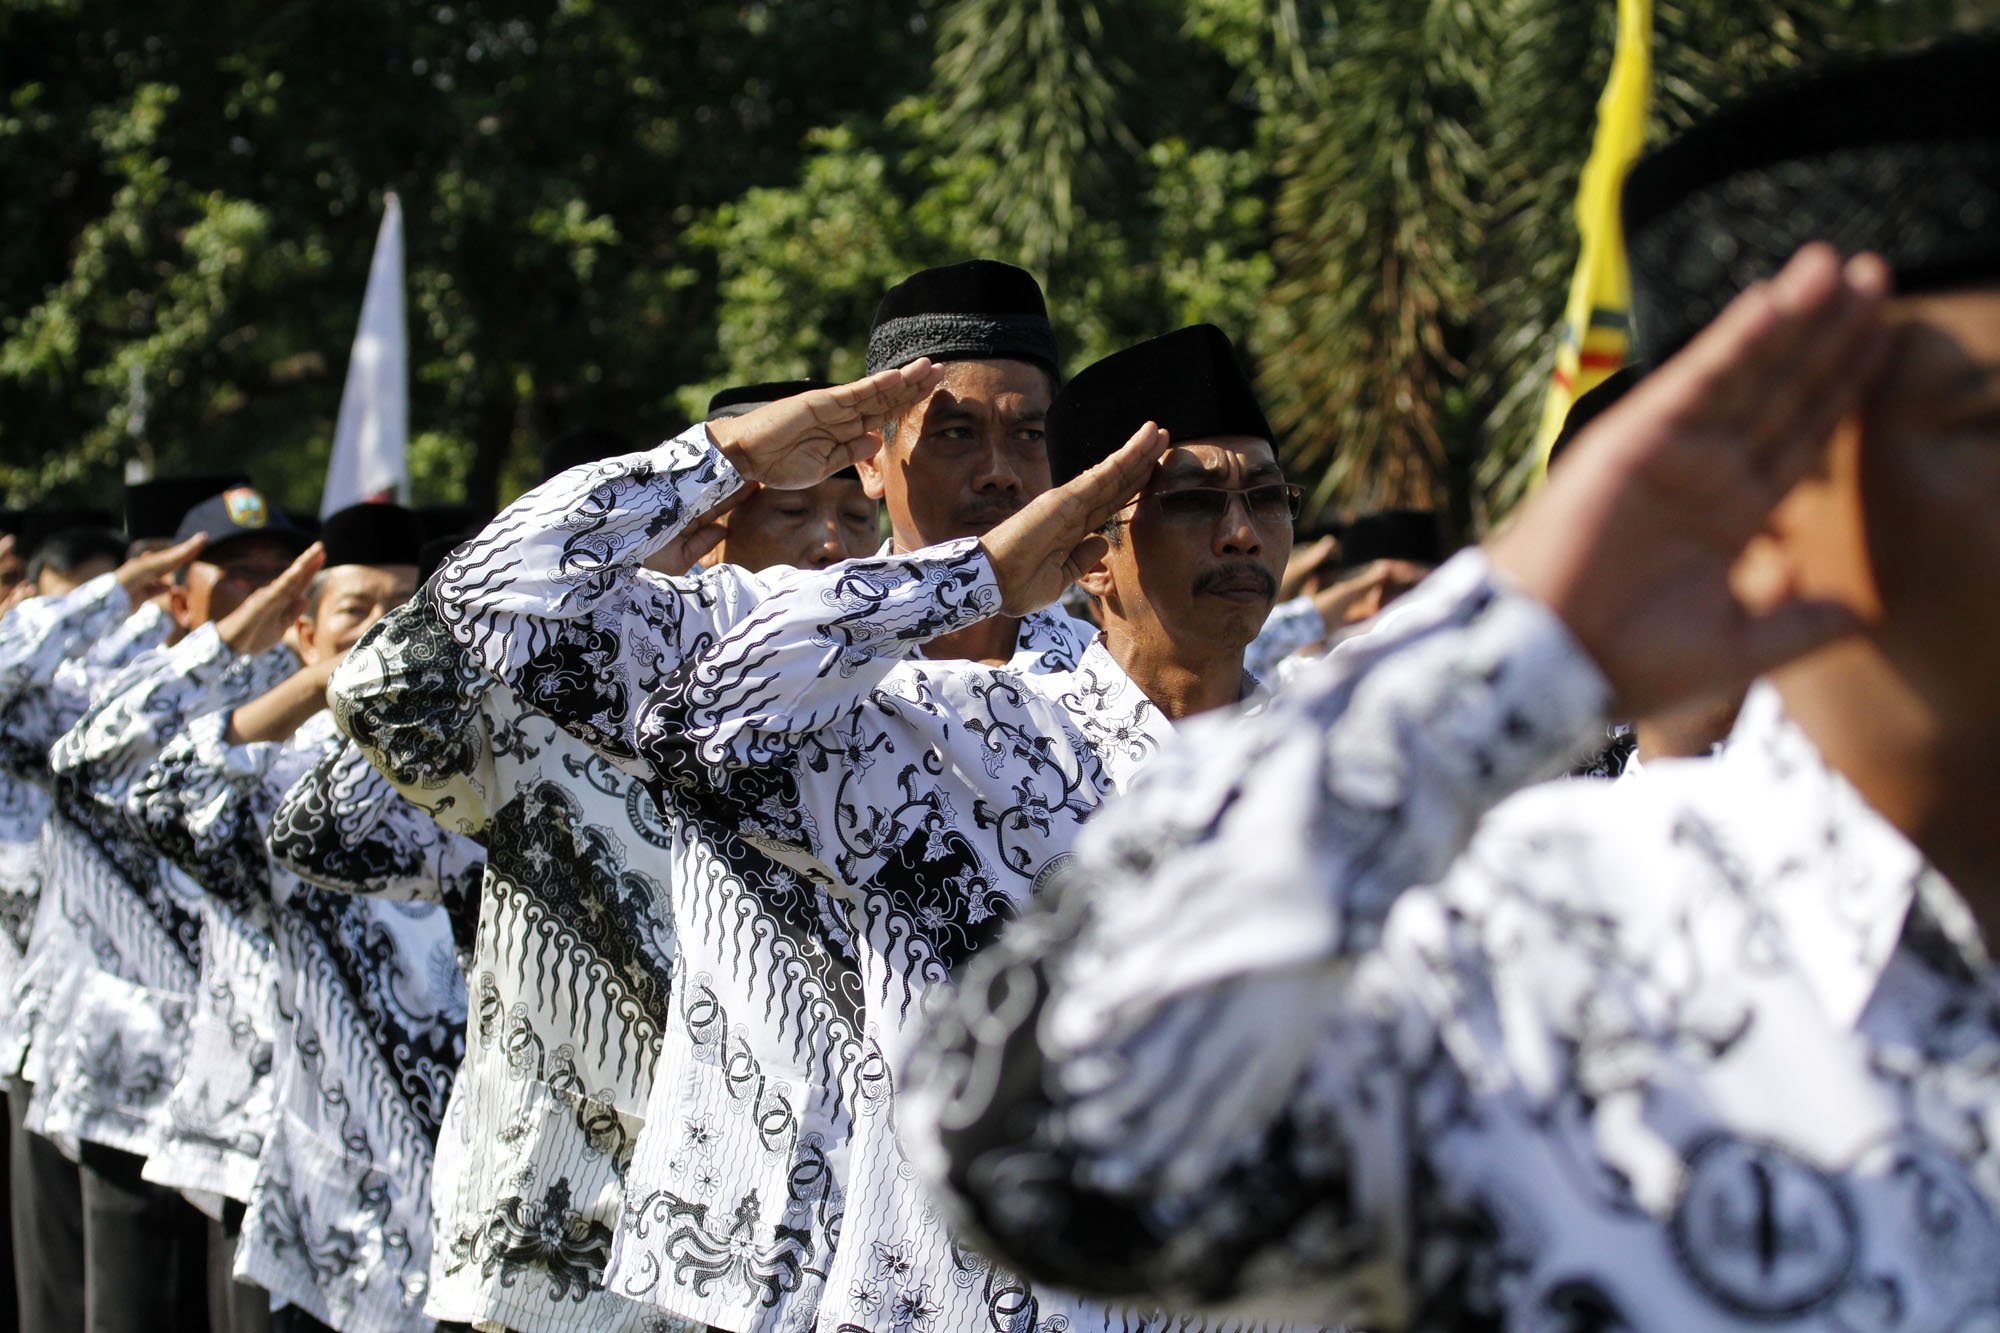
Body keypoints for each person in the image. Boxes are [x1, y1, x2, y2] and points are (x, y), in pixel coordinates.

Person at [900, 36, 2000, 1330]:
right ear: (1779, 493)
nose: (1241, 537)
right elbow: (1035, 1141)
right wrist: (1522, 627)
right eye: (1987, 425)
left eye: (1265, 498)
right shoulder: (1538, 952)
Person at [331, 266, 1096, 1332]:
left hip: (985, 1282)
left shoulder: (1093, 679)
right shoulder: (741, 627)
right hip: (752, 1273)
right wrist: (726, 454)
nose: (1001, 472)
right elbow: (479, 606)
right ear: (870, 456)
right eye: (955, 434)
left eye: (1028, 435)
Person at [124, 502, 466, 1333]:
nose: (383, 629)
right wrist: (323, 686)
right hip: (315, 1167)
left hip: (452, 1165)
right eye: (356, 610)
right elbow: (156, 796)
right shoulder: (270, 780)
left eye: (404, 609)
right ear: (304, 631)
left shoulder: (471, 764)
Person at [46, 488, 314, 1332]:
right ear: (177, 586)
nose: (266, 593)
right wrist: (223, 643)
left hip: (247, 1089)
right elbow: (83, 759)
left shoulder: (306, 683)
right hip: (139, 1057)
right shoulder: (125, 679)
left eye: (281, 575)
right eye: (238, 575)